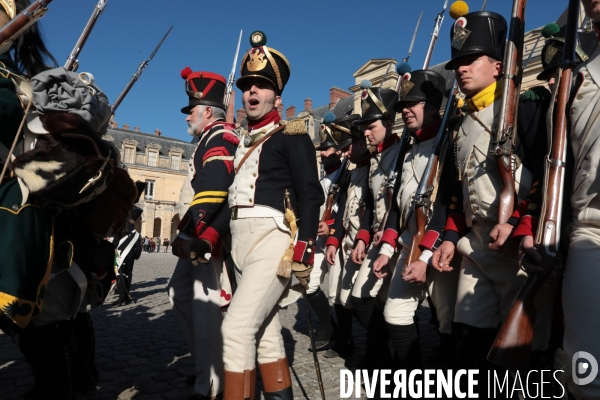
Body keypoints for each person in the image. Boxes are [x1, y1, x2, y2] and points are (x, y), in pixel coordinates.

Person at [430, 8, 555, 380]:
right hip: (477, 247)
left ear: (498, 65)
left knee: (523, 358)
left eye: (470, 59)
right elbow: (456, 193)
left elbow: (548, 174)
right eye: (458, 63)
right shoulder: (459, 124)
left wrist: (522, 220)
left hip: (520, 248)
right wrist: (451, 237)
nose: (461, 69)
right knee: (468, 344)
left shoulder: (527, 107)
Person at [222, 31, 323, 400]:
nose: (252, 92)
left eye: (261, 86)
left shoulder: (291, 135)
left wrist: (305, 247)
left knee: (235, 330)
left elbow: (310, 194)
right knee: (262, 331)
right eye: (247, 85)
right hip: (239, 243)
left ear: (277, 96)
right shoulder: (241, 141)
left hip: (273, 240)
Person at [519, 2, 600, 397]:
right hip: (592, 230)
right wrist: (538, 225)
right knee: (584, 373)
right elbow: (555, 168)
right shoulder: (578, 80)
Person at [371, 69, 459, 370]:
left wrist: (426, 255)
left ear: (433, 107)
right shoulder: (406, 151)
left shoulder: (450, 142)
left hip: (444, 244)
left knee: (450, 322)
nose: (405, 110)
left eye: (413, 103)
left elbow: (447, 202)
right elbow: (397, 207)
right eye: (402, 105)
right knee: (395, 314)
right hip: (411, 241)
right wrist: (385, 250)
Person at [167, 68, 239, 400]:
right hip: (199, 230)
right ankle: (205, 368)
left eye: (191, 110)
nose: (186, 118)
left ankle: (212, 383)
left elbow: (214, 189)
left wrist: (190, 231)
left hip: (209, 235)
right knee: (180, 295)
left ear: (207, 111)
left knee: (205, 307)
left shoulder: (222, 135)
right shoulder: (208, 137)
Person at [348, 84, 401, 370]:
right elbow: (369, 203)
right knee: (361, 299)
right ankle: (383, 355)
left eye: (371, 126)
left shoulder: (404, 150)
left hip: (403, 238)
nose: (366, 132)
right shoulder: (375, 158)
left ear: (390, 123)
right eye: (364, 127)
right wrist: (362, 237)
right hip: (378, 241)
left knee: (400, 309)